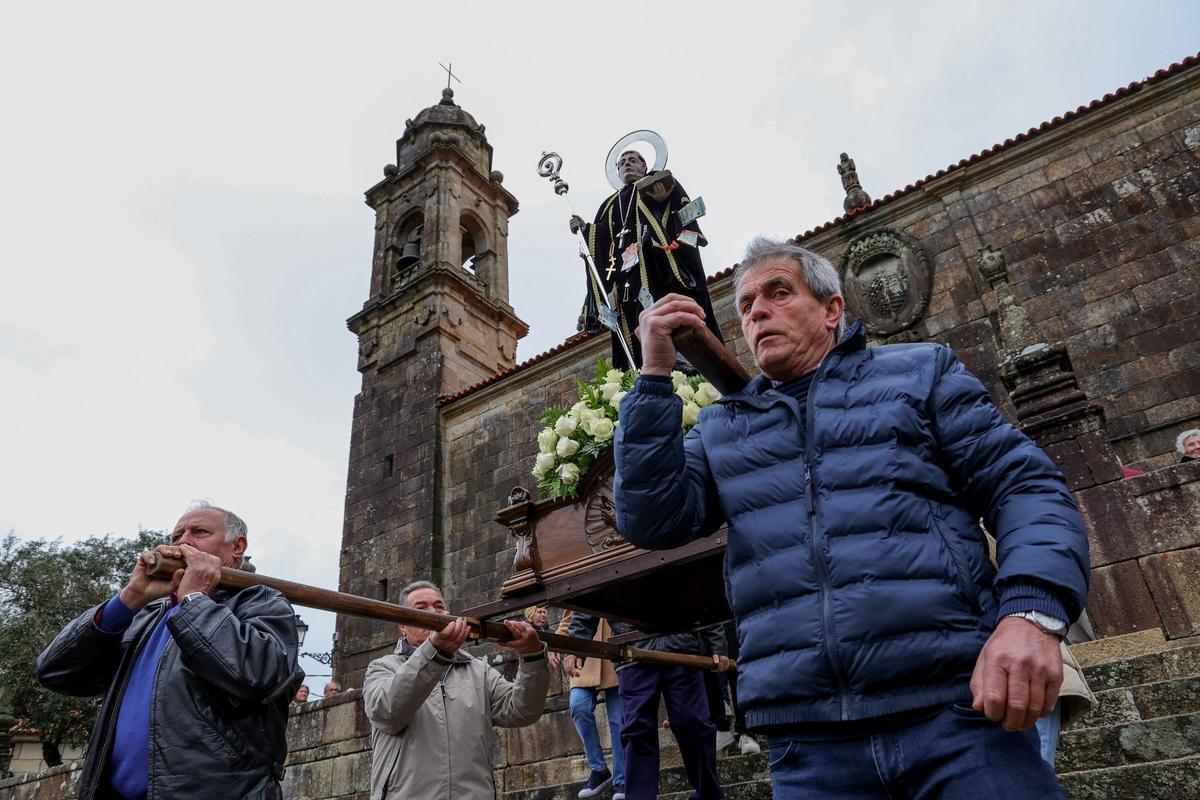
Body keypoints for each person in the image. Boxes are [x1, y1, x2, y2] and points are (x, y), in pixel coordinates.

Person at [613, 236, 1091, 798]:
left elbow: (1024, 485)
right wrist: (652, 380)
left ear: (833, 309)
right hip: (807, 740)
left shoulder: (919, 373)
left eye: (778, 293)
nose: (757, 311)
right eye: (745, 305)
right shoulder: (722, 427)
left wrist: (1030, 615)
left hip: (957, 714)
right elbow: (652, 521)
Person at [37, 501, 302, 800]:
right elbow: (55, 672)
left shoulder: (261, 602)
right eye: (176, 536)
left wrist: (194, 600)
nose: (183, 542)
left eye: (199, 532)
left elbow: (259, 676)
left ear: (237, 547)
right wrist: (128, 599)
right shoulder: (145, 617)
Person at [364, 581, 550, 799]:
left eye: (439, 606)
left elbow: (523, 711)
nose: (433, 613)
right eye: (420, 608)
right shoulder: (382, 667)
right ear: (403, 626)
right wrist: (434, 652)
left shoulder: (478, 670)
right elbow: (387, 713)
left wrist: (532, 656)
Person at [570, 148, 724, 369]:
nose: (627, 165)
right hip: (624, 280)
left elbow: (685, 214)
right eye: (622, 163)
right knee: (632, 327)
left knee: (665, 316)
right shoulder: (609, 205)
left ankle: (682, 364)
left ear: (644, 166)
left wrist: (660, 202)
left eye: (633, 160)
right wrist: (585, 230)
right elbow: (601, 240)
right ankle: (641, 372)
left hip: (658, 267)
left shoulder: (657, 182)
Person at [569, 613, 731, 800]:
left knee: (694, 723)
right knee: (637, 729)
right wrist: (575, 647)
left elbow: (701, 594)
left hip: (682, 645)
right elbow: (587, 596)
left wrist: (717, 644)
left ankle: (708, 794)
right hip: (632, 649)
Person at [557, 610, 625, 799]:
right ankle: (599, 770)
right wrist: (555, 644)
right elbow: (569, 619)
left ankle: (622, 780)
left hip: (616, 657)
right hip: (584, 658)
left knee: (619, 720)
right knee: (578, 706)